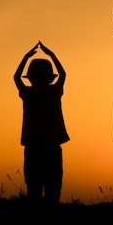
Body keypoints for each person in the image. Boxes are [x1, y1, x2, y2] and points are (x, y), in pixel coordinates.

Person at [14, 41, 70, 204]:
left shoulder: (27, 93)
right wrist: (50, 54)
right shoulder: (54, 92)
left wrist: (26, 56)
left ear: (30, 77)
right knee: (53, 193)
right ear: (49, 77)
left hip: (33, 148)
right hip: (52, 148)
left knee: (34, 192)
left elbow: (16, 77)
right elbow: (63, 74)